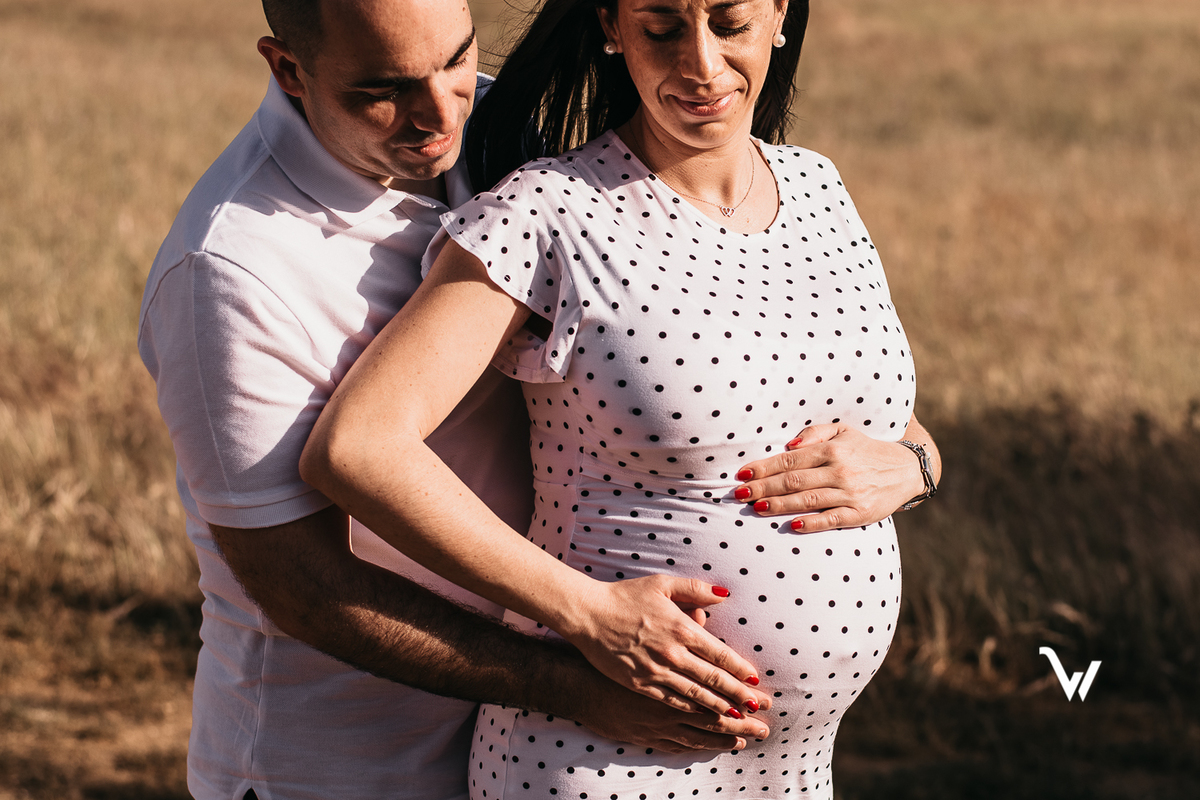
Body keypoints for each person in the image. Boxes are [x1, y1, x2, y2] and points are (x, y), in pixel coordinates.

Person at [137, 0, 803, 797]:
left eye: (455, 60)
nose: (436, 113)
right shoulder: (231, 272)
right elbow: (304, 589)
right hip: (336, 763)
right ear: (288, 70)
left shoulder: (503, 132)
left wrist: (910, 457)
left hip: (527, 745)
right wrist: (578, 656)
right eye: (382, 90)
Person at [300, 0, 942, 797]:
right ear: (611, 27)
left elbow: (882, 417)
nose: (701, 65)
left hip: (796, 770)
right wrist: (586, 614)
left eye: (730, 23)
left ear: (779, 13)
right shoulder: (550, 212)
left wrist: (915, 467)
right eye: (662, 29)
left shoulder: (820, 187)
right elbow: (358, 446)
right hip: (603, 761)